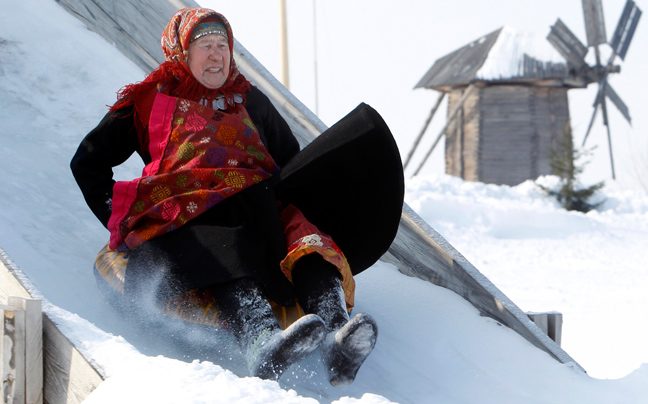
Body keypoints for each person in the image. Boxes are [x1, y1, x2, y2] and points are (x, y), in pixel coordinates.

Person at [71, 7, 402, 385]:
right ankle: (261, 343)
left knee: (307, 244)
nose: (216, 55)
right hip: (188, 213)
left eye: (223, 46)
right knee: (226, 248)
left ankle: (336, 340)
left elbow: (291, 163)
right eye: (205, 45)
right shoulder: (147, 101)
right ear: (182, 51)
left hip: (255, 206)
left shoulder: (250, 101)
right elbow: (88, 163)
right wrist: (119, 219)